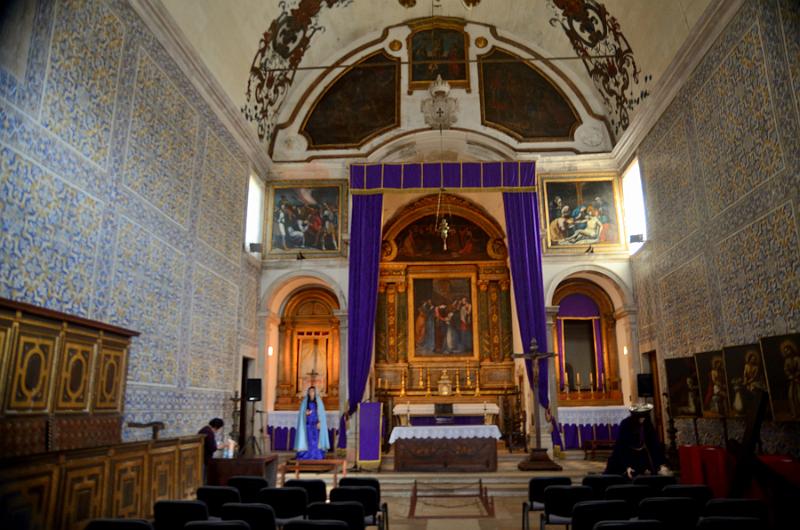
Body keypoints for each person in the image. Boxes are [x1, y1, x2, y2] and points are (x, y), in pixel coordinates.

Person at [605, 403, 670, 478]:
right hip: (626, 454)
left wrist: (661, 464)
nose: (642, 419)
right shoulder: (626, 424)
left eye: (644, 416)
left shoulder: (647, 423)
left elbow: (654, 444)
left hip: (641, 455)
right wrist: (627, 466)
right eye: (640, 416)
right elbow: (621, 446)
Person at [295, 386, 330, 460]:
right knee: (309, 440)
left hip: (315, 424)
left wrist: (319, 422)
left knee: (315, 440)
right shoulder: (305, 402)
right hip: (308, 424)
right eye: (310, 391)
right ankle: (307, 455)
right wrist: (305, 413)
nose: (311, 393)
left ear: (315, 392)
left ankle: (316, 455)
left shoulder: (319, 402)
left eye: (313, 391)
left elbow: (321, 414)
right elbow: (302, 414)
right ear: (308, 392)